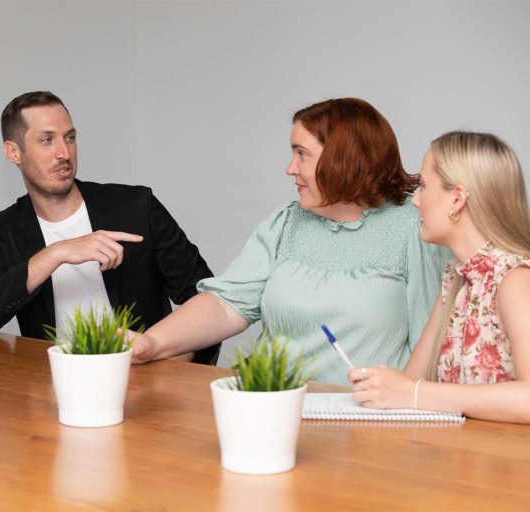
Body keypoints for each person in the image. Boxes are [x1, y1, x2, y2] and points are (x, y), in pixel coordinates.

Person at [132, 98, 450, 383]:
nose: (289, 168)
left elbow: (431, 339)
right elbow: (226, 306)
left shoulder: (414, 225)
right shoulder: (287, 222)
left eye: (302, 155)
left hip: (367, 422)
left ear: (343, 159)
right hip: (273, 405)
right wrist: (151, 343)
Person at [0, 91, 220, 364]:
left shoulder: (136, 207)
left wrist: (164, 369)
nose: (64, 153)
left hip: (147, 381)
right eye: (47, 140)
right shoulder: (1, 231)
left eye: (69, 138)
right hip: (56, 387)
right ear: (14, 152)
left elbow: (208, 302)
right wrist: (55, 254)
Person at [347, 131, 530, 423]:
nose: (415, 201)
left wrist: (414, 393)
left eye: (423, 186)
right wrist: (384, 389)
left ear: (457, 198)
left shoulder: (516, 279)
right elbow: (410, 383)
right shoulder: (456, 279)